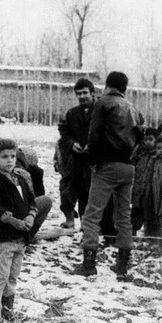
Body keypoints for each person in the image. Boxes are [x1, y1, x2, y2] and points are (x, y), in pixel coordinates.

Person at [73, 71, 143, 277]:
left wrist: (93, 161)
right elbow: (141, 137)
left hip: (107, 165)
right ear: (125, 88)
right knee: (123, 215)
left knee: (92, 215)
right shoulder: (134, 108)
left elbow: (93, 135)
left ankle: (88, 264)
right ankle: (122, 263)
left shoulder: (102, 104)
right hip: (128, 167)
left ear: (107, 85)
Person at [0, 139, 49, 323]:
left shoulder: (20, 179)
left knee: (13, 276)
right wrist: (14, 221)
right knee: (1, 277)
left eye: (12, 156)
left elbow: (32, 202)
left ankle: (8, 310)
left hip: (21, 239)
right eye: (4, 157)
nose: (9, 161)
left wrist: (30, 218)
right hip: (4, 239)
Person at [57, 78, 96, 228]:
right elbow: (64, 132)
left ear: (92, 94)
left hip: (91, 161)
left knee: (87, 193)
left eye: (85, 93)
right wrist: (72, 143)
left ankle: (86, 224)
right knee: (67, 191)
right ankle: (69, 219)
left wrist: (91, 146)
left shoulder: (99, 112)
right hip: (73, 160)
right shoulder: (72, 113)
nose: (82, 96)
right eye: (79, 94)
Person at [130, 127, 158, 234]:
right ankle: (132, 237)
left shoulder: (158, 156)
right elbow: (132, 165)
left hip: (150, 194)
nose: (147, 142)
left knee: (151, 221)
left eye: (150, 139)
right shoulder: (140, 153)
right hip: (138, 192)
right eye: (146, 139)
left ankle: (150, 239)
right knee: (134, 218)